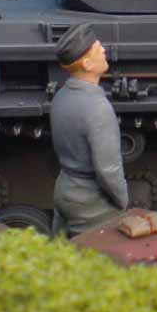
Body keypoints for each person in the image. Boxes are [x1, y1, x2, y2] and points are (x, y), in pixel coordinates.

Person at [50, 22, 129, 238]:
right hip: (90, 203)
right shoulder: (98, 108)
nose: (103, 49)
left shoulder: (61, 96)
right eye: (97, 48)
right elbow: (108, 169)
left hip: (65, 187)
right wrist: (122, 201)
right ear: (87, 63)